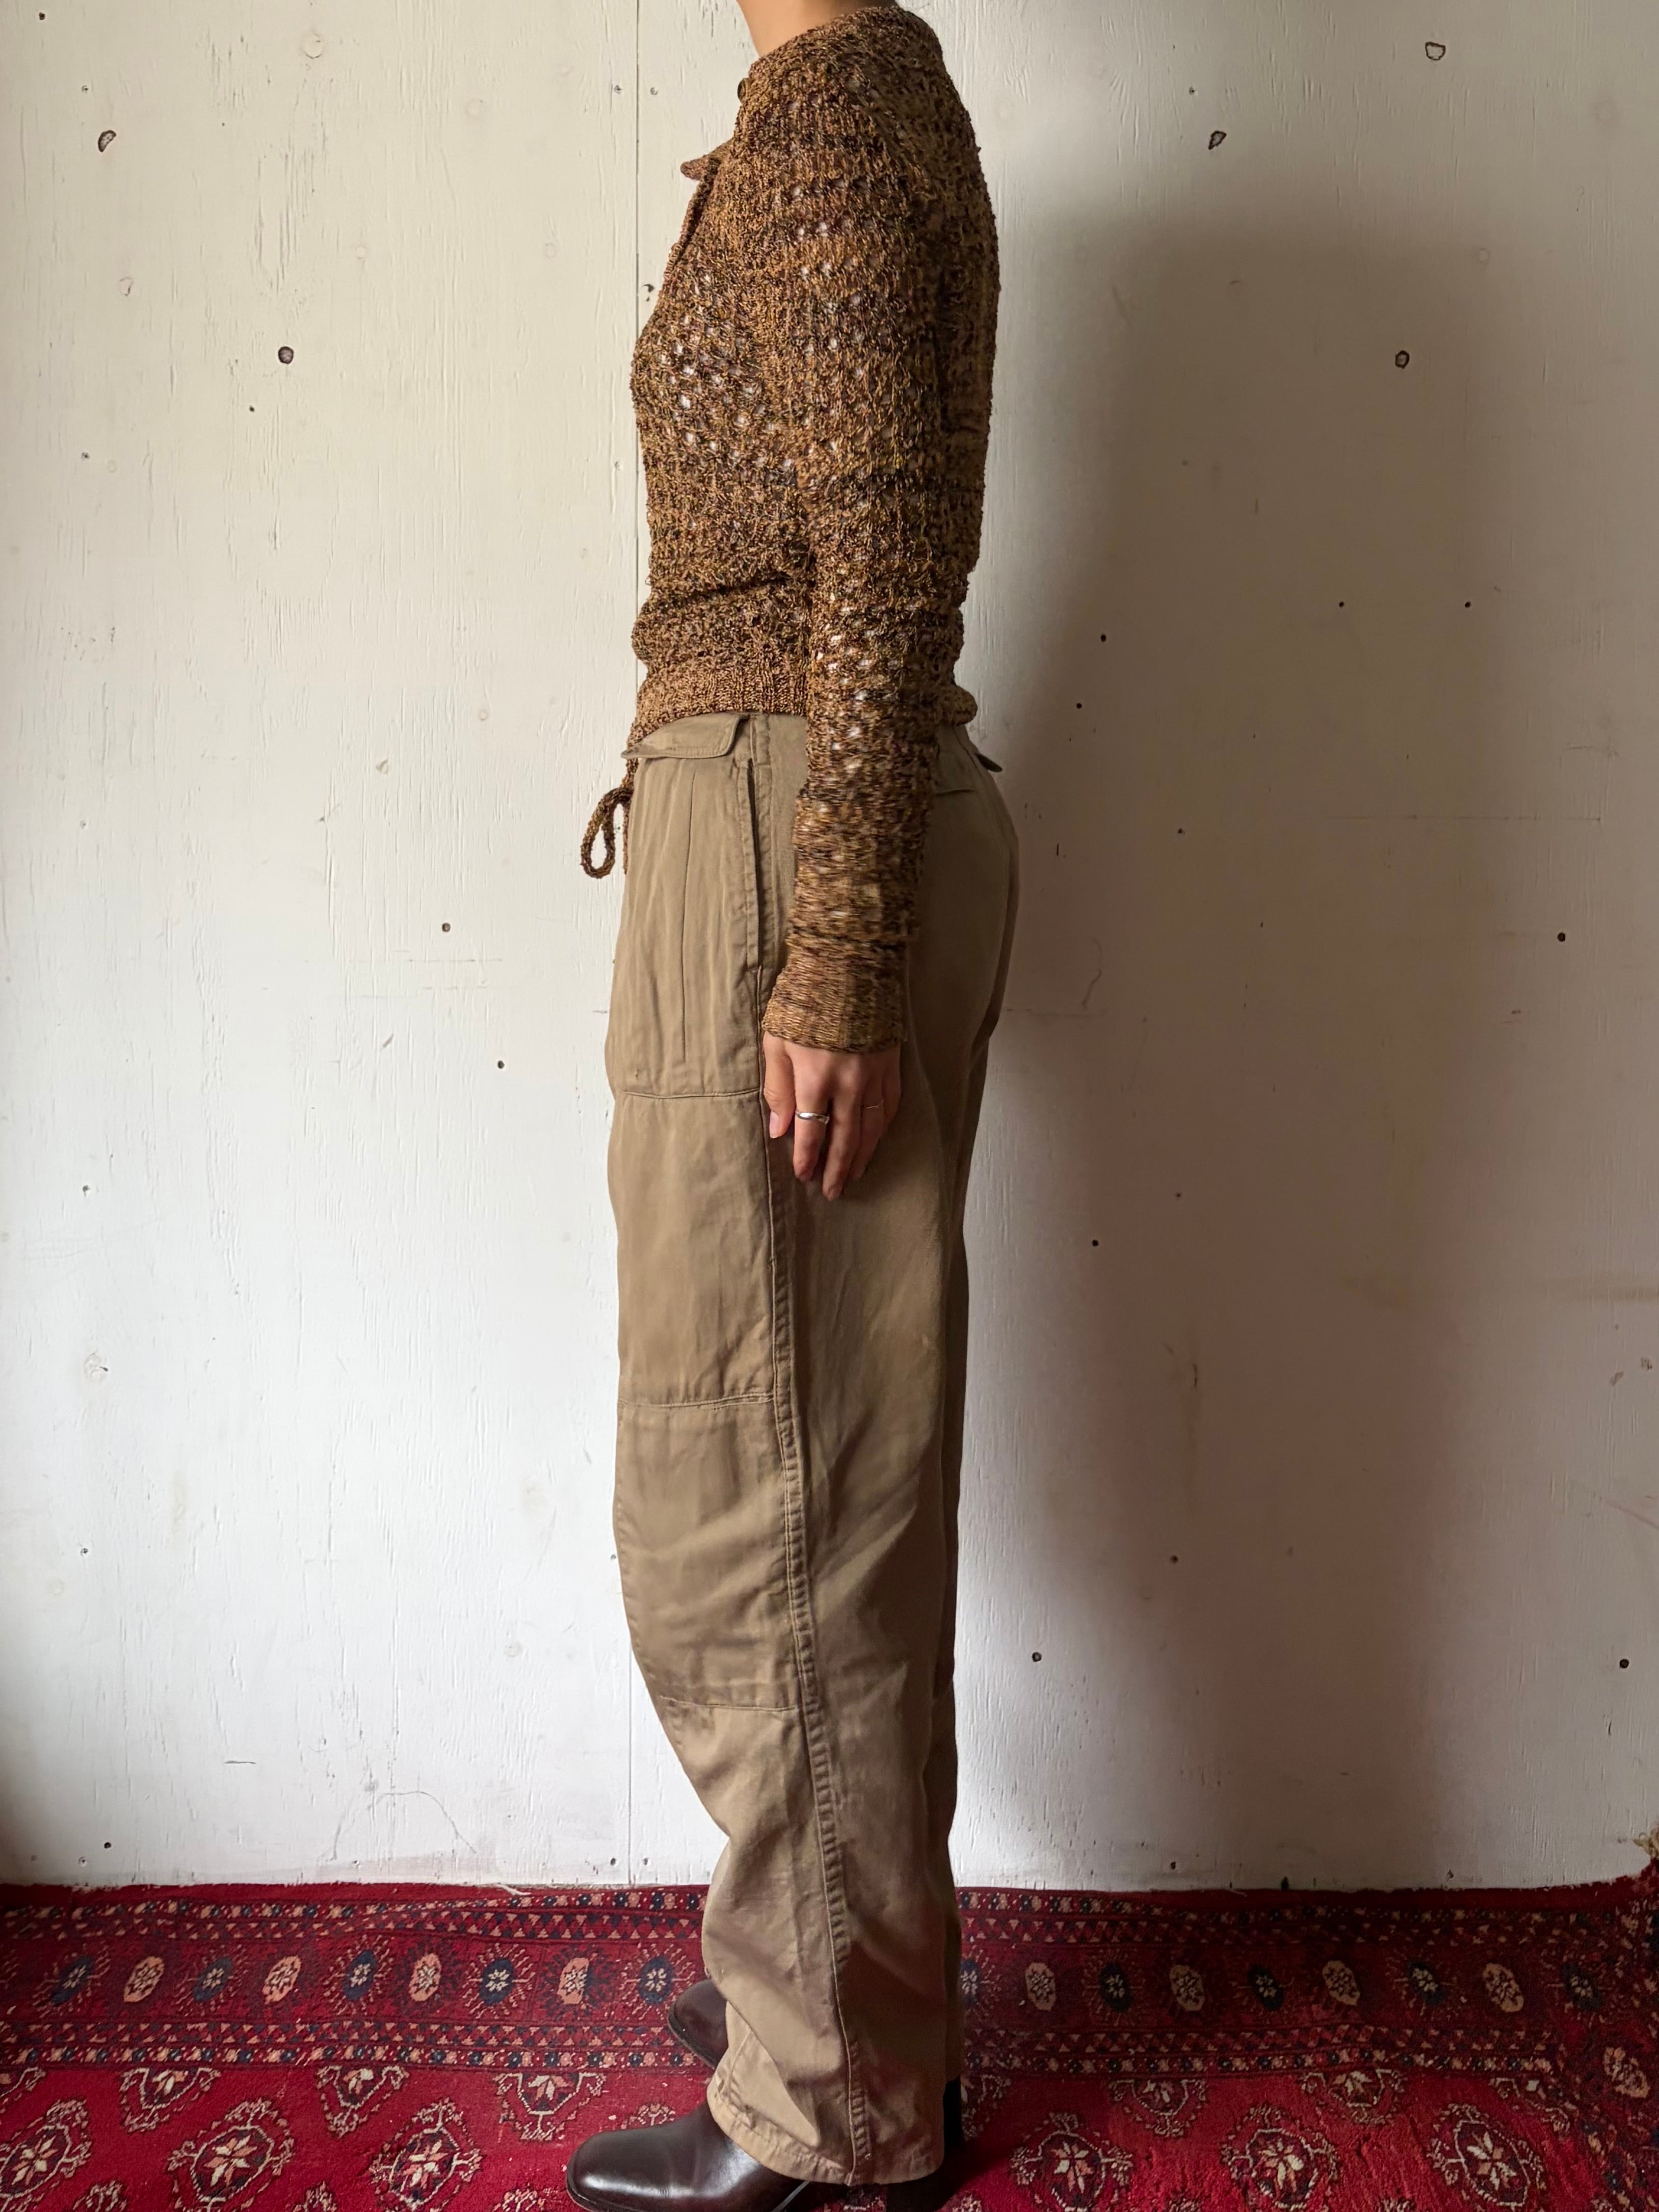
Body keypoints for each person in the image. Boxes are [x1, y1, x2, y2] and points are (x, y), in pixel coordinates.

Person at [572, 2, 1013, 2206]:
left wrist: (829, 945)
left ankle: (834, 2095)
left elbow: (884, 544)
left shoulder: (832, 105)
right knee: (816, 1459)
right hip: (777, 817)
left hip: (781, 834)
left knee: (756, 1486)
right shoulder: (852, 97)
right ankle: (841, 1994)